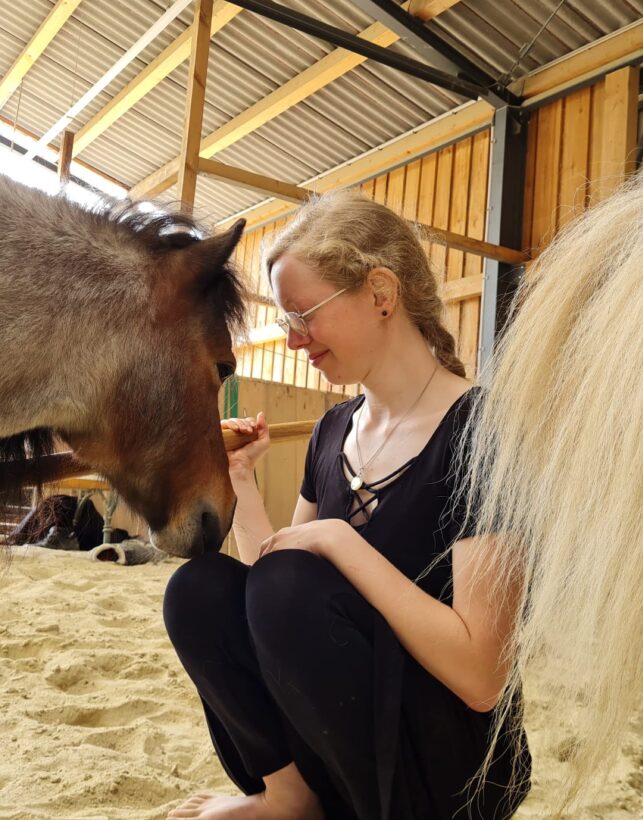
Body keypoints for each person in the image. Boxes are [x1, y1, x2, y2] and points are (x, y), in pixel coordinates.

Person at [163, 191, 530, 820]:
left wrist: (340, 541)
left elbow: (480, 676)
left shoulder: (483, 430)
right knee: (198, 589)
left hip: (442, 764)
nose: (294, 339)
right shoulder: (334, 428)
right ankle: (290, 800)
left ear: (381, 294)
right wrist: (242, 484)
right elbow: (273, 595)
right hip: (341, 739)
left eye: (303, 313)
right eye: (286, 319)